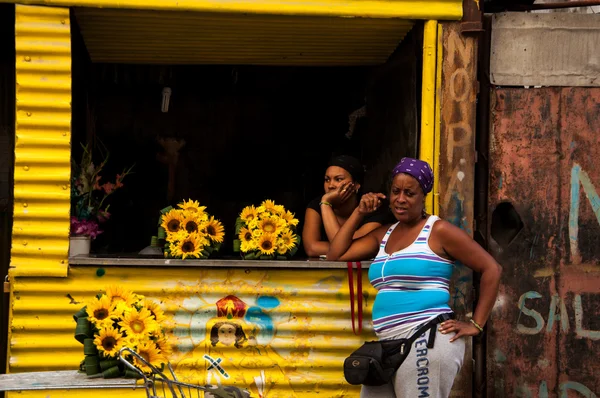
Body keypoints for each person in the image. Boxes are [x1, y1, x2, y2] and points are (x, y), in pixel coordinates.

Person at [327, 157, 502, 398]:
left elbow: (491, 268)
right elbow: (337, 254)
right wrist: (359, 212)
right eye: (395, 191)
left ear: (423, 197)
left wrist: (476, 324)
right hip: (387, 342)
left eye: (409, 193)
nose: (400, 199)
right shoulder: (384, 234)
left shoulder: (438, 231)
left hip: (425, 337)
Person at [302, 155, 390, 257]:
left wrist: (326, 203)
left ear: (356, 184)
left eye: (338, 179)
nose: (331, 185)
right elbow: (311, 248)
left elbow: (342, 247)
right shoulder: (316, 206)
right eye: (327, 179)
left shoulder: (370, 206)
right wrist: (325, 203)